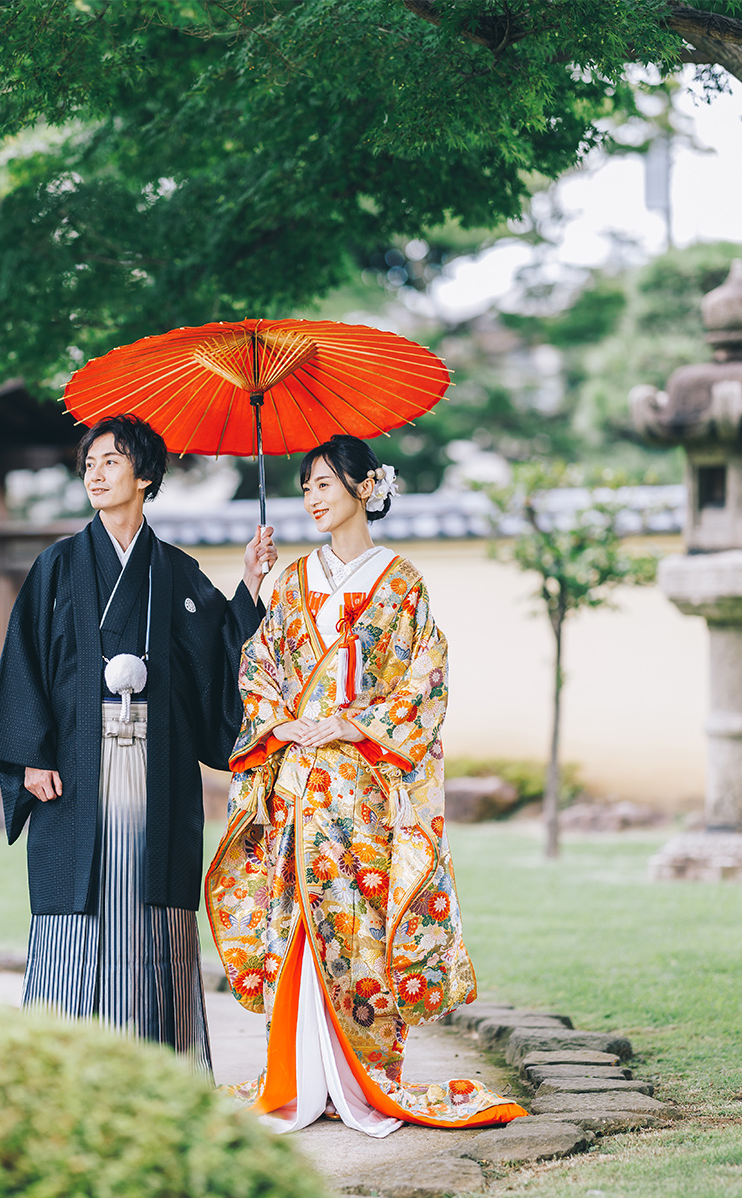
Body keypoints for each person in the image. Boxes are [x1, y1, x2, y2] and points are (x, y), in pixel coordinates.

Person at [205, 434, 526, 1135]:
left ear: (363, 487)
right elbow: (258, 670)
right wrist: (285, 726)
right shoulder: (288, 582)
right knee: (299, 919)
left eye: (324, 484)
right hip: (300, 780)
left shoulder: (401, 580)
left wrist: (349, 728)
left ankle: (365, 1076)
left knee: (361, 923)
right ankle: (299, 1074)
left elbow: (424, 682)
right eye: (304, 488)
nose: (313, 499)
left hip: (362, 783)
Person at [0, 414, 275, 1069]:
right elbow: (22, 660)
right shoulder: (56, 567)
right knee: (73, 907)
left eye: (111, 462)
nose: (96, 473)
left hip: (156, 766)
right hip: (74, 770)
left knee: (150, 904)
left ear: (145, 476)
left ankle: (159, 1067)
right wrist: (29, 753)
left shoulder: (175, 572)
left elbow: (220, 657)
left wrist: (250, 585)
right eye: (89, 463)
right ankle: (62, 1065)